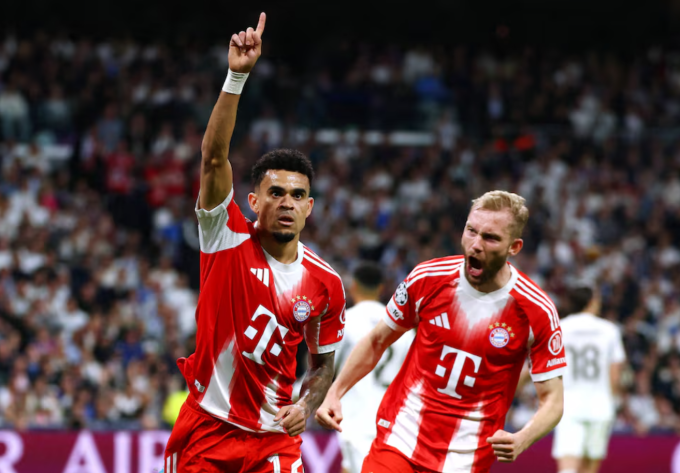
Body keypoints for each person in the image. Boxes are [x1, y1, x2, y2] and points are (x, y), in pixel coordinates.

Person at [163, 13, 346, 473]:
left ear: (310, 207)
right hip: (207, 430)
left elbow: (322, 366)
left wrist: (306, 404)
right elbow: (213, 158)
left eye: (298, 196)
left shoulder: (325, 283)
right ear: (253, 201)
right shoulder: (224, 235)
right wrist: (236, 76)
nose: (287, 202)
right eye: (276, 192)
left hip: (273, 442)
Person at [317, 190, 566, 473]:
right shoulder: (428, 278)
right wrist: (335, 392)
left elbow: (553, 400)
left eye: (490, 238)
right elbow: (377, 341)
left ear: (515, 247)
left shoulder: (537, 310)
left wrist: (523, 438)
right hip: (399, 439)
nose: (476, 245)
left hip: (467, 458)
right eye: (471, 231)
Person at [336, 262, 415, 473]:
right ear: (381, 288)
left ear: (353, 286)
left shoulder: (346, 321)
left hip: (353, 416)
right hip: (390, 419)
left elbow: (327, 369)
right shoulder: (404, 328)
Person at [552, 285, 625, 473]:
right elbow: (615, 374)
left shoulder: (560, 328)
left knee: (568, 464)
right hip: (601, 405)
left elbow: (549, 366)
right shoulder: (610, 330)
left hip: (568, 404)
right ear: (592, 302)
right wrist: (614, 401)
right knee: (589, 468)